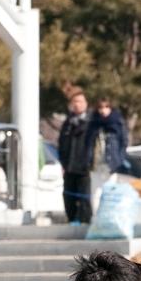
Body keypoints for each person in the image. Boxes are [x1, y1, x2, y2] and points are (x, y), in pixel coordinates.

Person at [86, 97, 129, 213]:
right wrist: (88, 159)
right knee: (95, 192)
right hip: (96, 164)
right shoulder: (92, 124)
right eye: (100, 107)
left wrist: (119, 159)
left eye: (106, 107)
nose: (103, 110)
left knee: (110, 192)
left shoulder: (117, 123)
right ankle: (96, 217)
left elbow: (124, 142)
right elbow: (87, 143)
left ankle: (108, 216)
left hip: (111, 164)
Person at [57, 91, 93, 225]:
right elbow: (61, 144)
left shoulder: (91, 122)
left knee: (84, 197)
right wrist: (63, 163)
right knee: (68, 196)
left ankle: (85, 222)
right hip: (69, 167)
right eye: (75, 102)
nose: (77, 105)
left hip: (85, 167)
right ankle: (71, 220)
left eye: (80, 101)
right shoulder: (68, 123)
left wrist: (91, 163)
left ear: (85, 104)